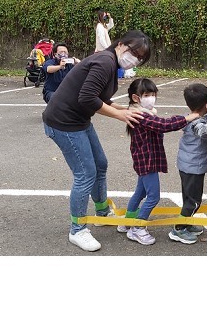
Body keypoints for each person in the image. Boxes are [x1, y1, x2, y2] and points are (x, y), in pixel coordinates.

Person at [42, 29, 151, 252]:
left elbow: (100, 98)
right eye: (133, 52)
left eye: (140, 58)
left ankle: (102, 213)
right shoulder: (105, 62)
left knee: (100, 164)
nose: (134, 59)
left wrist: (126, 109)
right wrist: (121, 115)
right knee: (85, 174)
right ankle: (77, 229)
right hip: (63, 122)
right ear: (120, 44)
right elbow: (87, 98)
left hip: (79, 120)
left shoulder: (110, 63)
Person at [115, 78, 199, 246]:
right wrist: (188, 118)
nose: (151, 98)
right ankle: (138, 227)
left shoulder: (141, 111)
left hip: (144, 159)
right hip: (147, 161)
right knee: (153, 196)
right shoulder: (140, 115)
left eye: (153, 94)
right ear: (136, 97)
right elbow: (163, 125)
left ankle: (128, 221)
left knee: (140, 193)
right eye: (147, 95)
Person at [169, 83, 207, 245]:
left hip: (187, 166)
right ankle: (178, 229)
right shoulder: (196, 123)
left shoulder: (192, 117)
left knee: (188, 197)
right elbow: (205, 131)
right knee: (194, 201)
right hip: (193, 168)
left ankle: (187, 223)